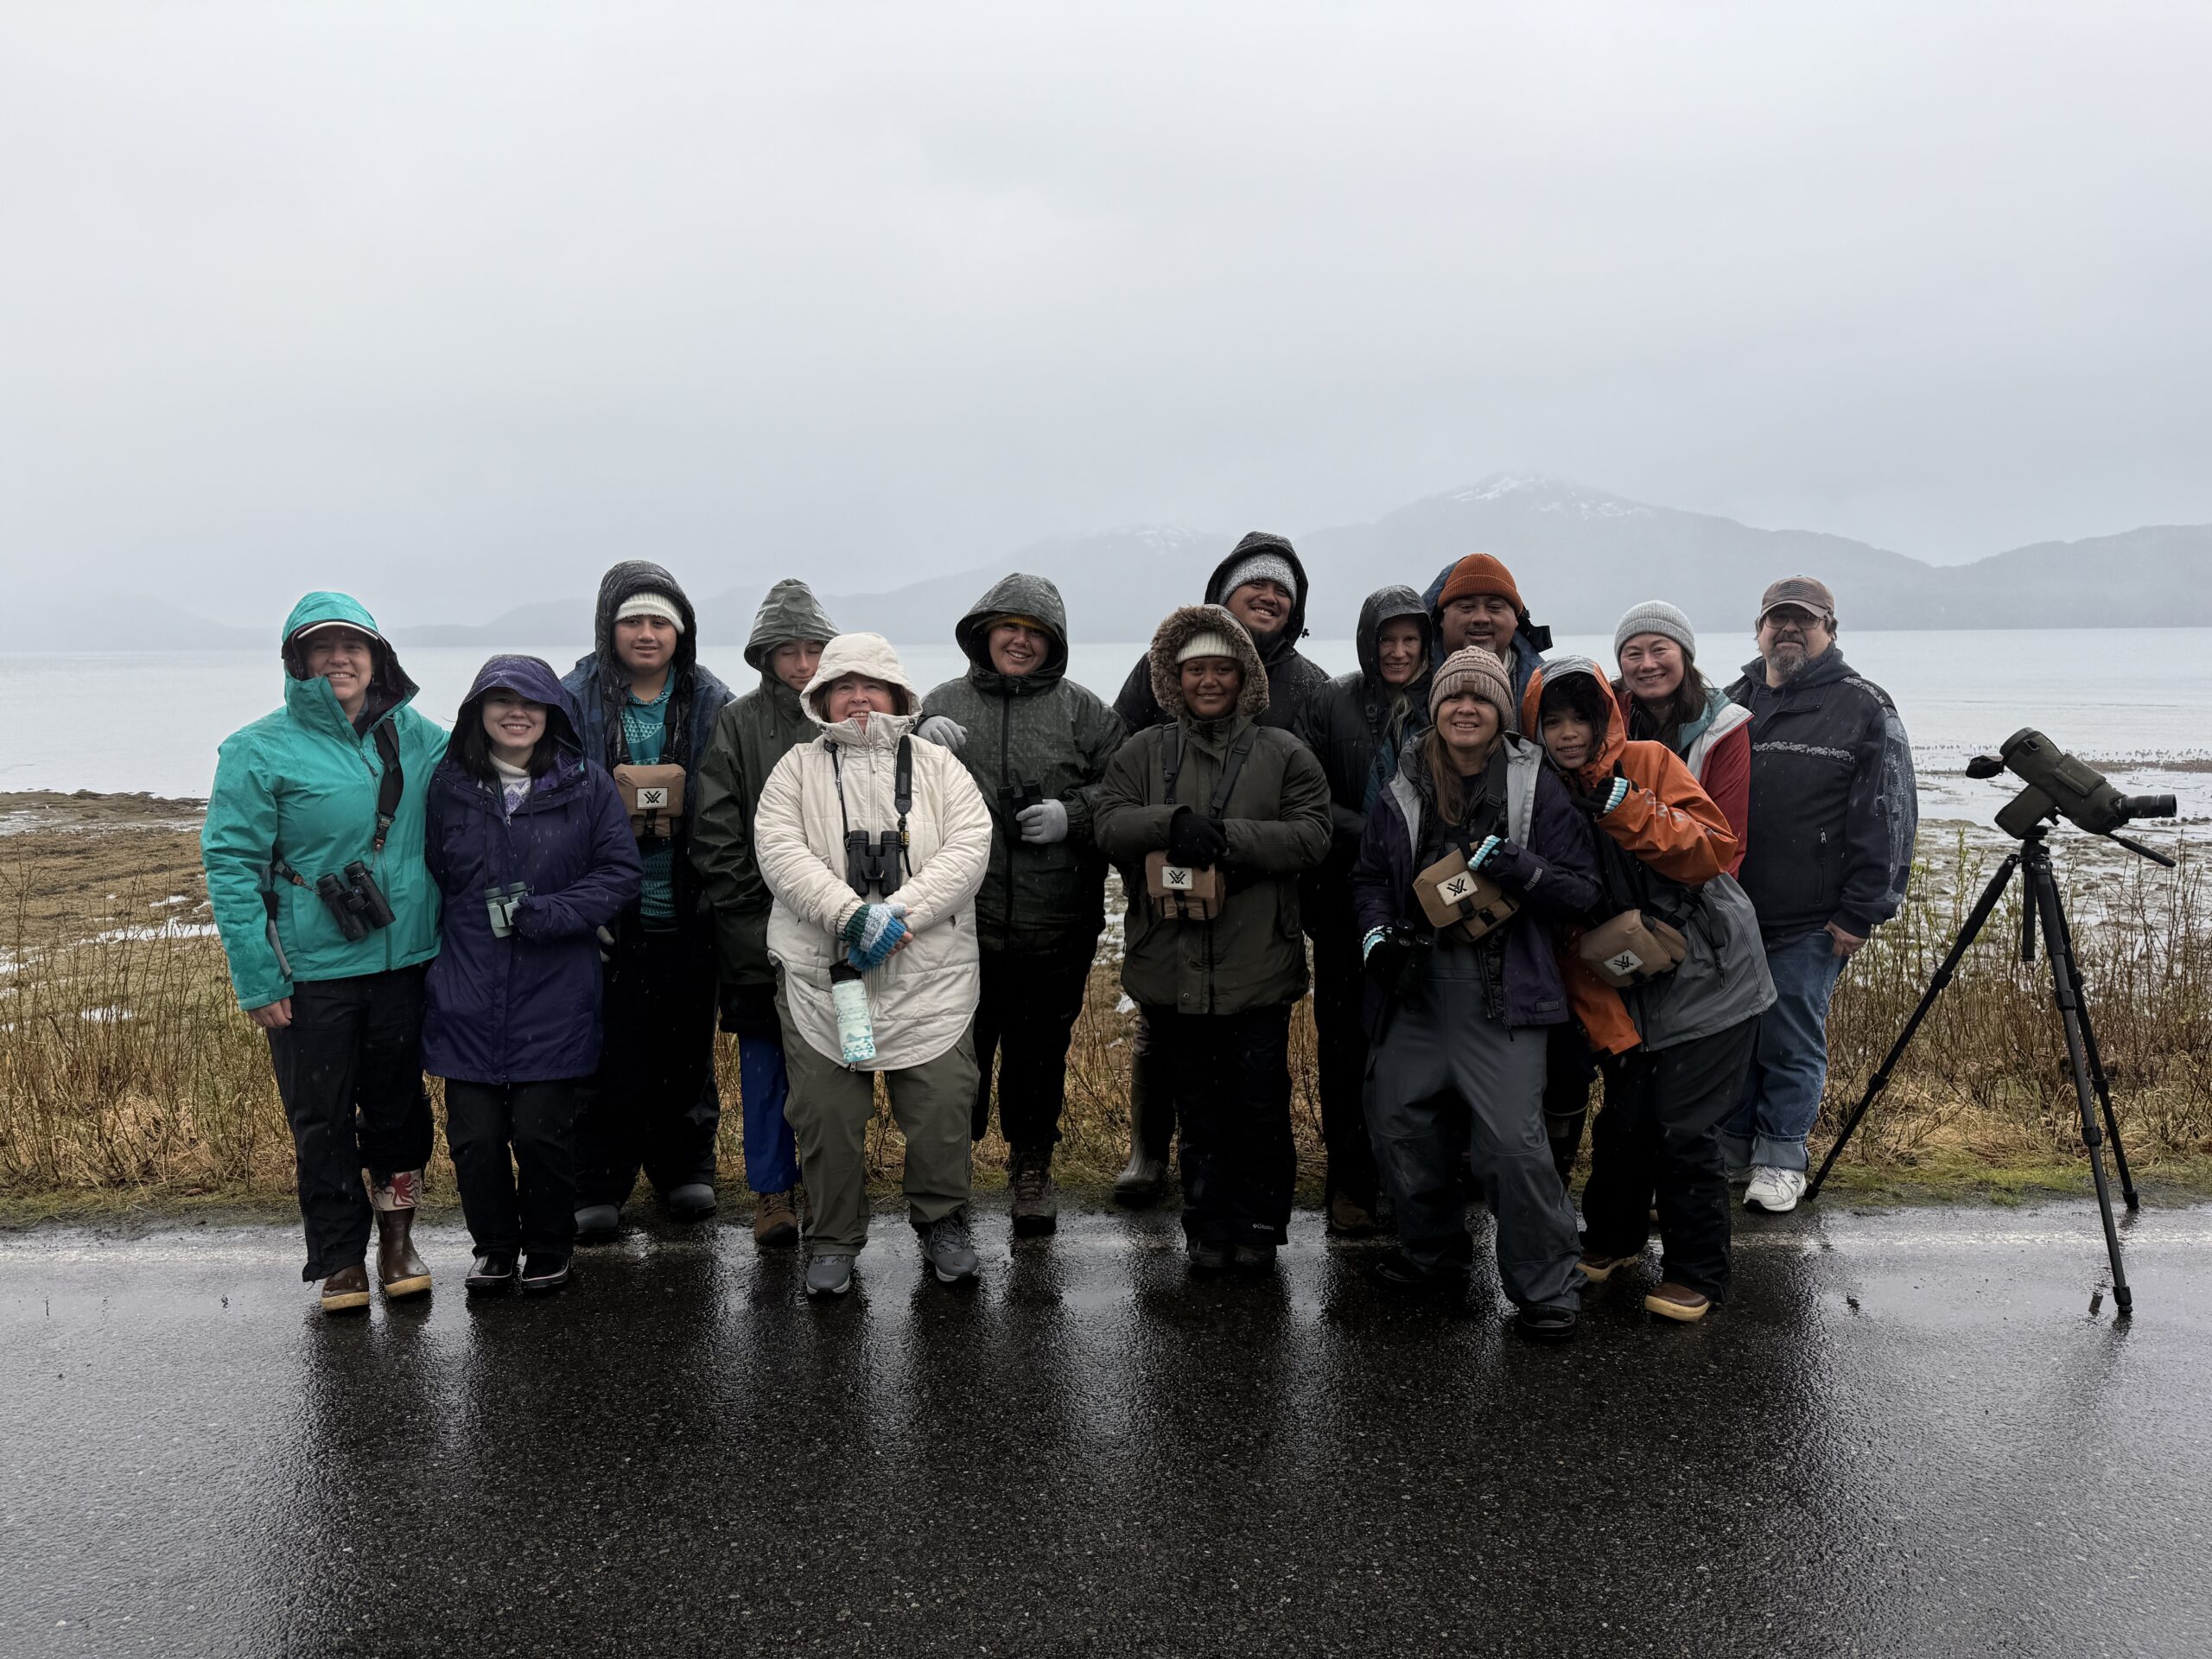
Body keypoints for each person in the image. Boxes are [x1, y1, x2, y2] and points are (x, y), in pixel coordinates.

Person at [201, 593, 446, 1313]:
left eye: (353, 646)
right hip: (309, 975)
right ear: (298, 662)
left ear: (377, 659)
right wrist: (258, 978)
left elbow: (501, 758)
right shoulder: (256, 749)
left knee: (400, 1115)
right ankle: (339, 1258)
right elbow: (231, 864)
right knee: (321, 1120)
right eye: (322, 648)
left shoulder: (420, 737)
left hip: (406, 964)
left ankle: (398, 1241)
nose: (339, 659)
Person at [1349, 647, 1599, 1338]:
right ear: (1436, 710)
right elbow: (1369, 878)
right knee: (1400, 1128)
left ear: (1500, 712)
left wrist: (1520, 868)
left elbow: (1583, 890)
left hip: (1505, 990)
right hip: (1415, 990)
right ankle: (1433, 1254)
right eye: (1454, 697)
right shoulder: (1402, 782)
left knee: (1513, 1148)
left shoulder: (1537, 785)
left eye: (1482, 698)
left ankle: (1547, 1286)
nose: (1467, 708)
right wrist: (1376, 939)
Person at [1521, 658, 1775, 1323]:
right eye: (1553, 720)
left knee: (1683, 1129)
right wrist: (1615, 1034)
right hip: (1630, 987)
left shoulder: (1650, 763)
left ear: (1605, 718)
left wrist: (1624, 804)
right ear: (1533, 728)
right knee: (1625, 1121)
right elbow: (1569, 935)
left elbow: (1712, 850)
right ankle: (1614, 1240)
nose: (1569, 733)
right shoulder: (1537, 799)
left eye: (1581, 718)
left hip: (1714, 978)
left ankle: (1698, 1273)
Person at [1092, 605, 1332, 1274]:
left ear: (1244, 676)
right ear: (1174, 679)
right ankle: (1206, 1229)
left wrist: (1228, 839)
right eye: (1194, 669)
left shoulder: (1284, 753)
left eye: (1221, 669)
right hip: (1168, 964)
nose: (1207, 680)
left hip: (1259, 963)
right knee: (1196, 1105)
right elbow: (1106, 824)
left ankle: (1258, 1228)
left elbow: (1313, 835)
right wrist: (1171, 823)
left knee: (1258, 1103)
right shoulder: (1142, 752)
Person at [753, 632, 994, 1298]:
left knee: (942, 1107)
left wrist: (899, 913)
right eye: (844, 686)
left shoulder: (940, 767)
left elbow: (969, 849)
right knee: (825, 1115)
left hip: (931, 976)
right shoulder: (795, 770)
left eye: (872, 686)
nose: (859, 698)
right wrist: (850, 916)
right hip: (823, 976)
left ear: (897, 694)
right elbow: (780, 851)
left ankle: (943, 1221)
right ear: (822, 697)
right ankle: (832, 1237)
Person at [423, 657, 640, 1296]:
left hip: (557, 987)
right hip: (466, 984)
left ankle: (548, 1246)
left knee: (542, 1134)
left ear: (552, 714)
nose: (516, 714)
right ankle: (494, 1248)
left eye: (531, 703)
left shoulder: (587, 784)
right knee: (475, 1138)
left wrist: (551, 914)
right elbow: (432, 874)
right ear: (478, 712)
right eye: (502, 701)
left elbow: (619, 873)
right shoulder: (447, 786)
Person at [920, 575, 1124, 1236]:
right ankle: (947, 1177)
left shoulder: (1085, 713)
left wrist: (1073, 815)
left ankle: (1031, 1167)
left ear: (1054, 643)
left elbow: (1124, 791)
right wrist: (914, 739)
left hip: (1057, 922)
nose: (1020, 641)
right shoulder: (940, 704)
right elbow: (893, 794)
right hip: (959, 924)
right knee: (957, 1062)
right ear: (983, 632)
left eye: (1036, 632)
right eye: (1009, 627)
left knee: (1039, 1057)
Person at [1724, 577, 1916, 1214]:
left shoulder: (1864, 705)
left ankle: (1781, 1160)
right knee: (1733, 1039)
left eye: (1803, 621)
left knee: (1789, 1041)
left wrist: (1863, 910)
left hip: (1811, 921)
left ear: (1829, 630)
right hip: (1731, 915)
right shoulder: (1732, 702)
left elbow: (1891, 814)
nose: (1788, 630)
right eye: (1776, 620)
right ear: (1758, 630)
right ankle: (1734, 1152)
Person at [563, 562, 734, 1239]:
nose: (646, 633)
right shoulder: (573, 698)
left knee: (685, 1050)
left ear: (680, 631)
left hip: (687, 906)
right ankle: (597, 1179)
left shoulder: (712, 699)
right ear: (608, 628)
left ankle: (682, 1166)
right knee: (605, 1051)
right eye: (631, 620)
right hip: (606, 914)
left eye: (659, 621)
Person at [694, 579, 839, 1249]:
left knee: (839, 1067)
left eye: (814, 649)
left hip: (839, 936)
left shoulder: (848, 714)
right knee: (763, 1070)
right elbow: (715, 828)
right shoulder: (737, 722)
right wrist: (756, 912)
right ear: (766, 655)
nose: (803, 664)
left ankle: (832, 1187)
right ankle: (773, 1192)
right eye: (788, 651)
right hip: (756, 937)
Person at [1291, 585, 1433, 1236]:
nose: (1399, 652)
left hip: (1424, 902)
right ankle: (1349, 1180)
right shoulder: (1332, 700)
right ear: (1366, 643)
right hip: (1342, 901)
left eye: (1410, 640)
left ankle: (1415, 1181)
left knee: (1418, 1047)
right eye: (1387, 640)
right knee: (1345, 1045)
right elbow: (1306, 795)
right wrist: (1380, 832)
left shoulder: (1445, 699)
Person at [1611, 601, 1751, 873]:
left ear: (1684, 654)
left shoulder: (1724, 727)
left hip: (1691, 883)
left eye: (1659, 649)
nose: (1647, 664)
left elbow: (1728, 843)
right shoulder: (1604, 718)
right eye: (1634, 654)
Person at [1420, 552, 1554, 706]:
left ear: (1516, 619)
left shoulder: (1547, 691)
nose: (1481, 618)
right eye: (1466, 607)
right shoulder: (1406, 683)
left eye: (1494, 607)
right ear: (1442, 619)